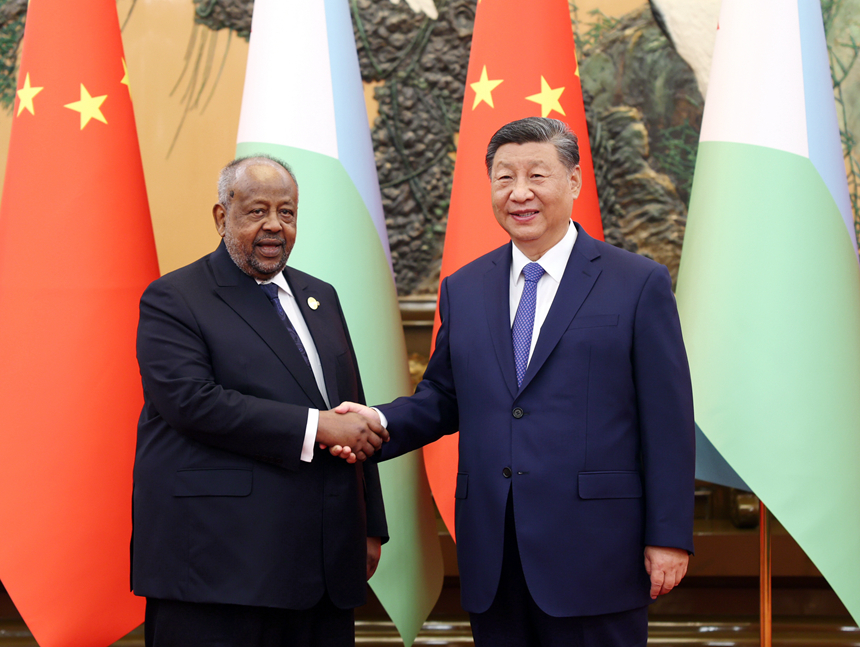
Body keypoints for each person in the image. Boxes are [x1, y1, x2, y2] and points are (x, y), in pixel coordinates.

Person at [334, 117, 694, 646]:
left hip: (598, 555)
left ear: (573, 181)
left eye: (536, 175)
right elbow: (443, 397)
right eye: (504, 178)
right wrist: (377, 421)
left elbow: (668, 421)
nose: (519, 193)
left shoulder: (637, 283)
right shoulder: (464, 288)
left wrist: (669, 536)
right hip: (495, 555)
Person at [131, 156, 389, 647]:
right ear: (221, 216)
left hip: (324, 564)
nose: (274, 225)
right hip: (220, 569)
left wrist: (369, 524)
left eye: (286, 212)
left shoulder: (321, 296)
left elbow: (350, 409)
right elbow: (191, 402)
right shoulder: (175, 297)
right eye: (257, 211)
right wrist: (316, 427)